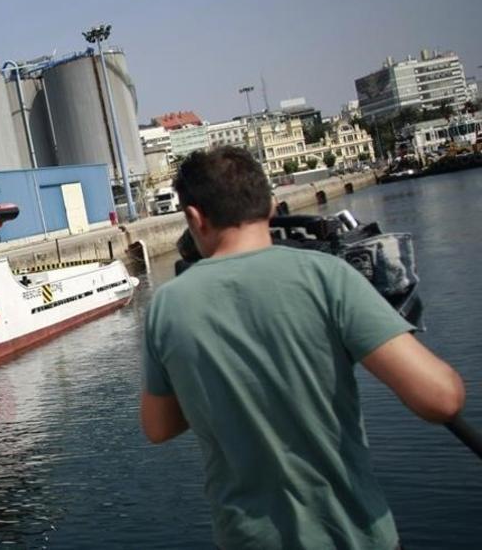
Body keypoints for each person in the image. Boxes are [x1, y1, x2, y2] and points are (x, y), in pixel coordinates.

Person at [140, 146, 465, 550]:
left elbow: (159, 427)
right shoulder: (328, 276)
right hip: (354, 537)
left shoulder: (168, 305)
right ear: (273, 207)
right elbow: (441, 399)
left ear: (194, 218)